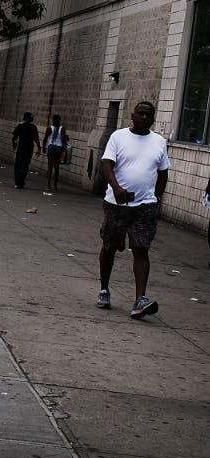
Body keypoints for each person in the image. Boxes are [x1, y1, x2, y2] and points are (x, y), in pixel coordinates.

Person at [96, 101, 170, 318]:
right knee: (110, 245)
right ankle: (104, 289)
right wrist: (116, 188)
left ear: (153, 118)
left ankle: (140, 299)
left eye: (149, 115)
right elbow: (107, 164)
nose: (145, 118)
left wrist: (156, 197)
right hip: (116, 204)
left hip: (145, 207)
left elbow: (163, 172)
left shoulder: (159, 142)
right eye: (141, 114)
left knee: (141, 248)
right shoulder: (118, 137)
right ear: (133, 115)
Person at [11, 112, 40, 189]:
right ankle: (21, 181)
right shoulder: (33, 127)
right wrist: (39, 147)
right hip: (29, 148)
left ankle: (18, 182)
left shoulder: (20, 126)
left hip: (21, 148)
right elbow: (36, 138)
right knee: (25, 165)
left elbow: (14, 137)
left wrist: (14, 145)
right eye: (31, 117)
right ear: (28, 118)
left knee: (18, 165)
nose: (32, 118)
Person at [42, 114, 69, 192]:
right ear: (59, 120)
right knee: (56, 167)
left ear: (52, 120)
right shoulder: (62, 128)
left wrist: (43, 148)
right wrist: (64, 149)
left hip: (51, 148)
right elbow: (64, 139)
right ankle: (55, 185)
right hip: (58, 149)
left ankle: (48, 185)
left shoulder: (49, 128)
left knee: (50, 167)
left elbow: (45, 139)